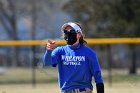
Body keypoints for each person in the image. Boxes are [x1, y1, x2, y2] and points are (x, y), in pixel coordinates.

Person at [43, 22, 104, 93]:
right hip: (66, 91)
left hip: (84, 90)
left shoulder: (89, 53)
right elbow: (47, 63)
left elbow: (97, 76)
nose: (68, 34)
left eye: (71, 31)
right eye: (66, 32)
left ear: (79, 35)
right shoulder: (60, 51)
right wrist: (49, 50)